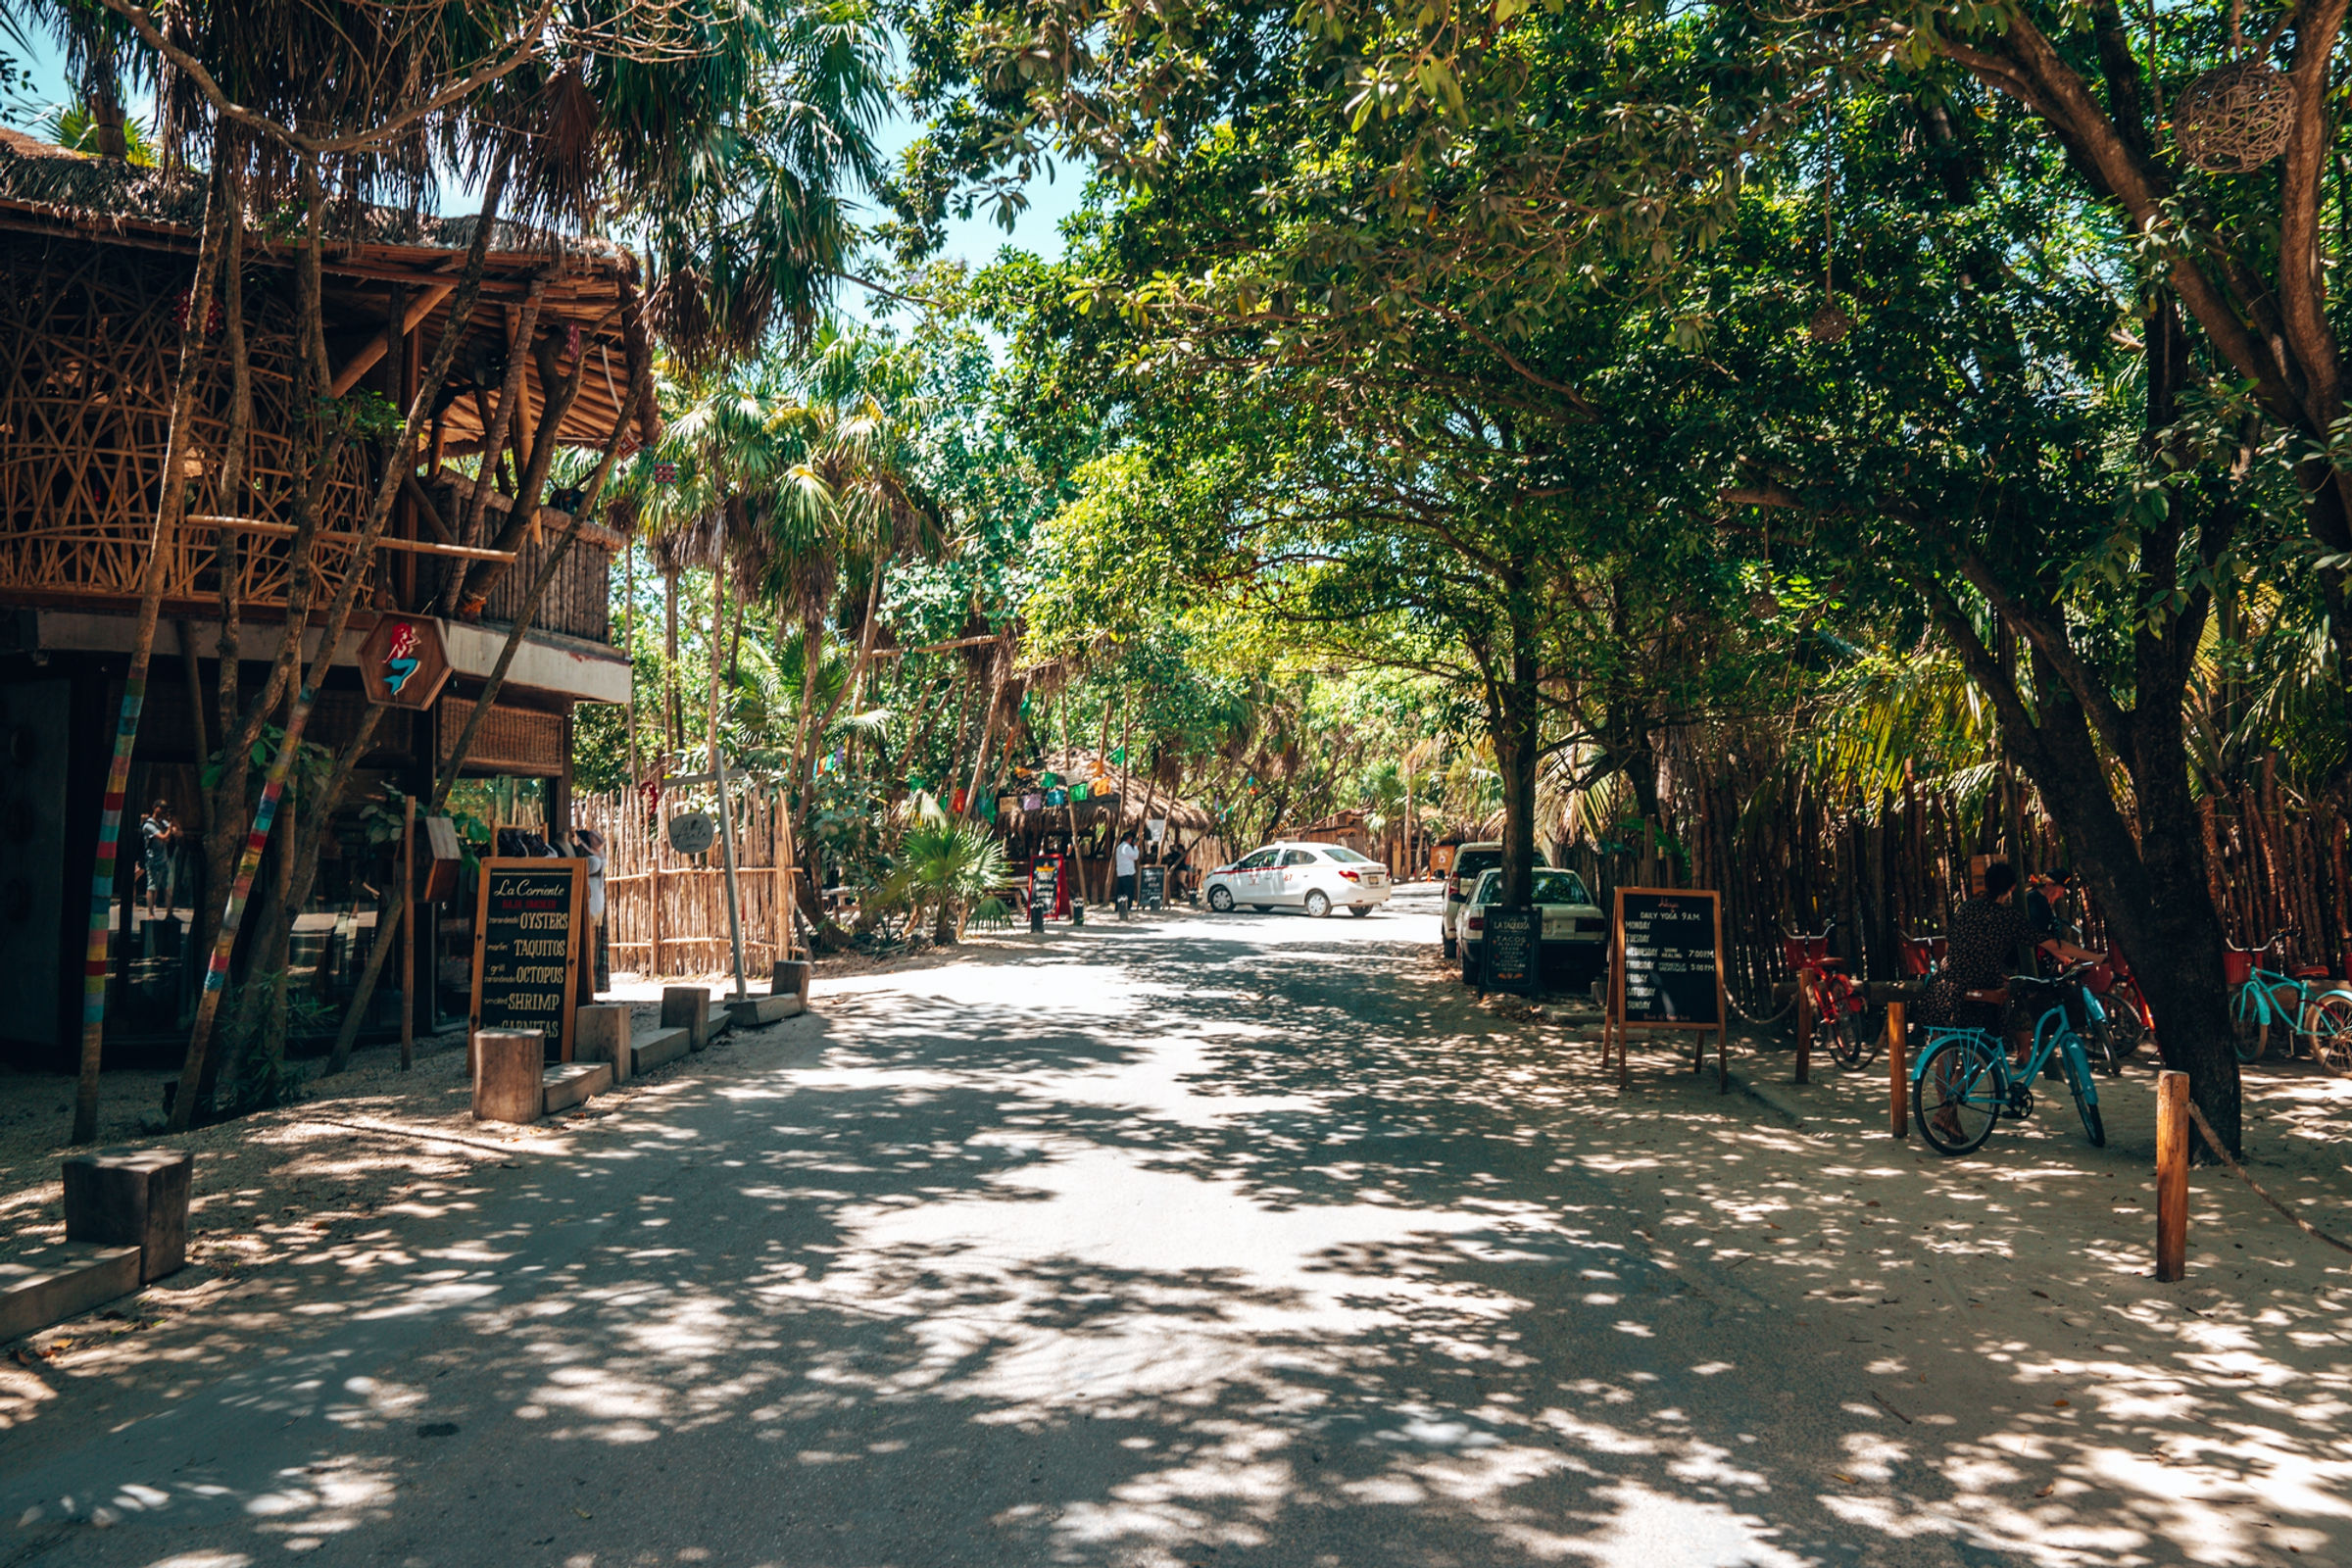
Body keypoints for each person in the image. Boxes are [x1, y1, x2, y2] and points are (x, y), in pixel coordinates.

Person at [1925, 860, 2103, 1044]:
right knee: (1986, 1045)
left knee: (1948, 1046)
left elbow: (1949, 944)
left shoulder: (1966, 908)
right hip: (1979, 996)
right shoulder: (2009, 918)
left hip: (1942, 987)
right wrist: (2093, 957)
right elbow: (2054, 945)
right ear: (2013, 887)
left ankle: (1950, 1072)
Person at [575, 827, 610, 994]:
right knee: (587, 938)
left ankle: (594, 982)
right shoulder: (582, 852)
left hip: (599, 896)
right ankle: (587, 983)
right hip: (589, 895)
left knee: (594, 941)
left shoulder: (597, 852)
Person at [139, 801, 175, 915]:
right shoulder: (148, 825)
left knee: (168, 886)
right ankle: (150, 912)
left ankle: (169, 913)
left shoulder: (162, 823)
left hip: (164, 859)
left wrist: (173, 823)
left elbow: (177, 833)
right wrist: (170, 828)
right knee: (152, 886)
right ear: (155, 808)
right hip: (153, 860)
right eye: (162, 808)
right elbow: (164, 837)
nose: (163, 811)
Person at [1113, 831, 1141, 917]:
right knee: (1129, 890)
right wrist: (1135, 847)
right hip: (1127, 871)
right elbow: (1135, 856)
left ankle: (1118, 906)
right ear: (1129, 839)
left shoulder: (1119, 847)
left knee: (1120, 891)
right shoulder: (1127, 847)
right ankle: (1128, 906)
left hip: (1121, 871)